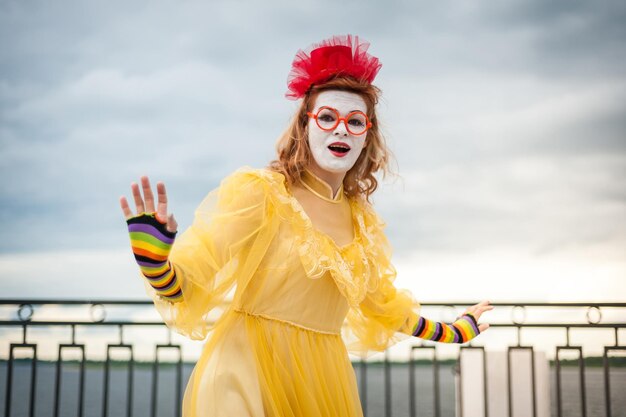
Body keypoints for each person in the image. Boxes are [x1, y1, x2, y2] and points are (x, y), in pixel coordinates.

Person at [119, 34, 493, 417]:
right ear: (305, 125)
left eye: (355, 121)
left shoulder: (361, 223)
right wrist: (154, 260)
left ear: (367, 136)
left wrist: (454, 331)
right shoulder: (262, 194)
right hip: (244, 370)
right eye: (327, 117)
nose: (341, 129)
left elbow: (383, 306)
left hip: (321, 379)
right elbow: (186, 286)